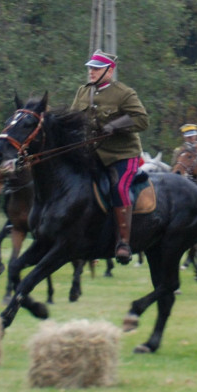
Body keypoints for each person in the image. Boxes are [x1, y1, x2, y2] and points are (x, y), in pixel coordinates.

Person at [70, 49, 149, 264]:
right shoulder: (83, 92)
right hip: (92, 155)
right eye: (90, 68)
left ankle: (123, 242)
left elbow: (142, 120)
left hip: (122, 155)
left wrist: (115, 125)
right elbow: (73, 120)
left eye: (96, 68)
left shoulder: (124, 93)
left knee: (119, 188)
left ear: (109, 70)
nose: (91, 72)